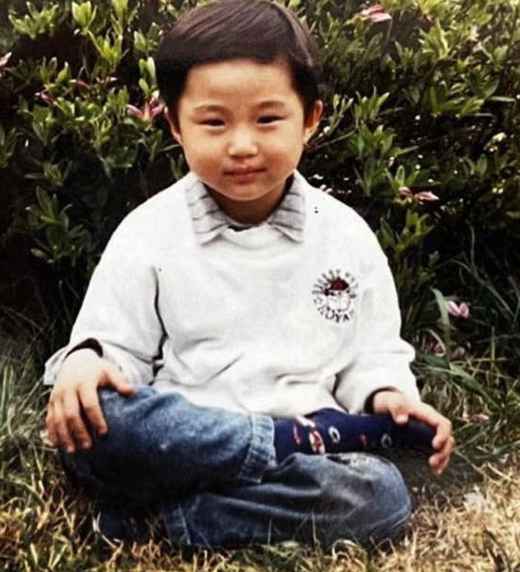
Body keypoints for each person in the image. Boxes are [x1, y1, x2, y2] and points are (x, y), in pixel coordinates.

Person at [43, 0, 455, 550]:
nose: (241, 145)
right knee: (100, 423)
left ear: (310, 119)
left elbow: (371, 354)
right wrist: (85, 362)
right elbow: (114, 349)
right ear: (175, 125)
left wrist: (387, 396)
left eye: (267, 119)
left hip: (308, 454)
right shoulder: (148, 232)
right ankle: (281, 444)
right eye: (214, 122)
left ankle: (165, 522)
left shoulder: (345, 235)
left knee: (380, 494)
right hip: (188, 440)